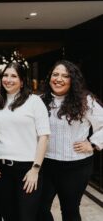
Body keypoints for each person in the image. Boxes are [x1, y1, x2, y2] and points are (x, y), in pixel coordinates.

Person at [38, 60, 103, 221]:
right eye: (55, 74)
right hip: (46, 164)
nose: (59, 79)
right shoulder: (40, 101)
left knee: (70, 210)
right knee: (39, 208)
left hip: (75, 166)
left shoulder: (85, 101)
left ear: (73, 79)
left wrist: (93, 143)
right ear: (50, 77)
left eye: (65, 76)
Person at [0, 62, 50, 221]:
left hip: (27, 169)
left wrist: (35, 169)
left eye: (14, 76)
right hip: (1, 170)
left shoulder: (34, 101)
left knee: (26, 216)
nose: (8, 79)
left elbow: (44, 136)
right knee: (9, 216)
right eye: (5, 75)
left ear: (22, 81)